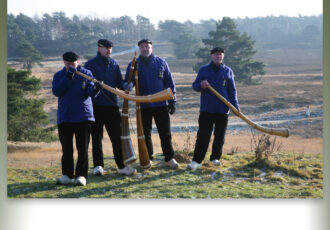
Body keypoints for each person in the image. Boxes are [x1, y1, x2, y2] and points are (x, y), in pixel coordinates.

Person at [124, 39, 179, 169]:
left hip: (161, 104)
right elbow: (128, 82)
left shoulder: (161, 63)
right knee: (145, 133)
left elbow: (169, 83)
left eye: (147, 46)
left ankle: (169, 158)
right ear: (139, 49)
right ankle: (148, 158)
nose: (145, 49)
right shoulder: (133, 64)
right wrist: (130, 83)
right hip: (143, 105)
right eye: (142, 47)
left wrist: (172, 101)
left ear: (151, 48)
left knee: (165, 133)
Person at [84, 39, 135, 176]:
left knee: (116, 138)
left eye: (110, 48)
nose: (108, 50)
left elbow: (118, 82)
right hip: (95, 106)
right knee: (96, 137)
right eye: (105, 48)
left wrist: (126, 86)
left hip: (112, 106)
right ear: (99, 48)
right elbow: (86, 85)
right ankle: (98, 166)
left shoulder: (114, 64)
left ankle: (121, 166)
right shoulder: (90, 64)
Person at [52, 51, 102, 186]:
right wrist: (68, 78)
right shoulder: (59, 75)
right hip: (65, 117)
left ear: (78, 62)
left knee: (83, 148)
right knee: (67, 148)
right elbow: (57, 91)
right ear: (64, 62)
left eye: (73, 64)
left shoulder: (86, 73)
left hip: (83, 116)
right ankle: (67, 175)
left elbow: (91, 92)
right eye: (68, 64)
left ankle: (81, 175)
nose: (71, 67)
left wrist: (96, 89)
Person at [188, 47, 240, 171]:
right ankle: (197, 161)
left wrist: (235, 106)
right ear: (211, 56)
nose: (218, 56)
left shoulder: (228, 71)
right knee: (203, 136)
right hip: (206, 110)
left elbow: (232, 90)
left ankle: (215, 158)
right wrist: (201, 85)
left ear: (223, 56)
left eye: (220, 54)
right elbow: (195, 86)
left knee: (219, 136)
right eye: (216, 54)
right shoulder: (204, 70)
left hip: (222, 110)